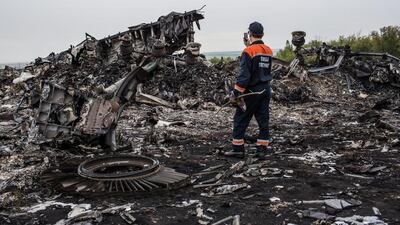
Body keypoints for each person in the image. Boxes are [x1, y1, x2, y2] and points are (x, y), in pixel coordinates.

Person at [224, 22, 273, 158]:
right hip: (265, 90)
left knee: (240, 118)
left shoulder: (248, 51)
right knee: (263, 120)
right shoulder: (268, 50)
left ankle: (238, 149)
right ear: (262, 34)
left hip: (251, 92)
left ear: (250, 34)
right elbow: (260, 65)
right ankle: (262, 150)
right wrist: (249, 45)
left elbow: (244, 76)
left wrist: (236, 92)